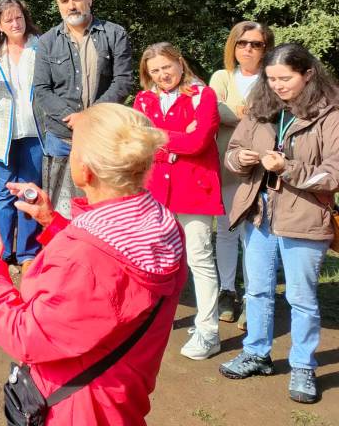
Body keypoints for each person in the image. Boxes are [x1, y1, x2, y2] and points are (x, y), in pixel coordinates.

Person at [0, 103, 185, 425]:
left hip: (74, 410)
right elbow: (109, 285)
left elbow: (26, 336)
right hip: (121, 399)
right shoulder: (163, 226)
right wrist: (52, 221)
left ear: (85, 171)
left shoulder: (84, 256)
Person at [219, 43, 339, 405]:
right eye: (270, 79)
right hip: (259, 212)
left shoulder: (330, 115)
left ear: (308, 74)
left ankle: (303, 365)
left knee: (301, 298)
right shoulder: (260, 110)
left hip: (304, 216)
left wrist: (288, 169)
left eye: (284, 78)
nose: (276, 85)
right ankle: (256, 353)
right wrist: (241, 157)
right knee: (256, 290)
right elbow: (231, 153)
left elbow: (333, 175)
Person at [133, 42, 224, 360]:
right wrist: (174, 138)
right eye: (155, 71)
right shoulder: (144, 99)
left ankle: (208, 331)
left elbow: (200, 141)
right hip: (156, 190)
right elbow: (139, 140)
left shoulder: (203, 94)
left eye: (166, 67)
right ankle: (153, 316)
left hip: (194, 189)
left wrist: (160, 137)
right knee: (155, 258)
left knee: (199, 259)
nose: (162, 75)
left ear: (179, 63)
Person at [34, 0, 132, 216]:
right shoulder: (47, 41)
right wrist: (72, 117)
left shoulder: (114, 34)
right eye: (64, 1)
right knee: (58, 208)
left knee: (101, 207)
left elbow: (123, 80)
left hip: (101, 137)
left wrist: (89, 117)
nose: (71, 5)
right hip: (61, 138)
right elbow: (41, 88)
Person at [0, 0, 44, 274]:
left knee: (29, 193)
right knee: (3, 193)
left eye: (19, 17)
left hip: (34, 132)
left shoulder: (40, 47)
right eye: (9, 20)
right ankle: (1, 252)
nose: (16, 23)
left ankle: (27, 252)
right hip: (3, 135)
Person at [209, 21, 273, 325]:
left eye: (256, 44)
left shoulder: (271, 78)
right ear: (233, 46)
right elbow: (212, 110)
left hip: (261, 170)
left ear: (265, 49)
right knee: (226, 231)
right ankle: (227, 291)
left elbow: (273, 115)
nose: (247, 48)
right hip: (226, 165)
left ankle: (253, 298)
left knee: (254, 235)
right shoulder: (222, 76)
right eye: (242, 42)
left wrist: (233, 113)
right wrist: (246, 115)